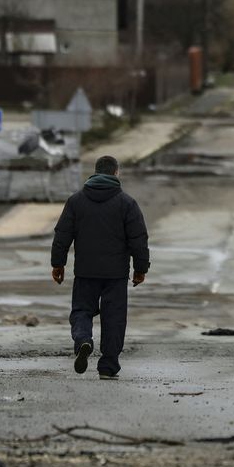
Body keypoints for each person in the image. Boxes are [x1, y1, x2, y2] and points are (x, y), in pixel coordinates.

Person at [50, 154, 150, 380]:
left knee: (82, 311)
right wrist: (141, 268)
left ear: (95, 172)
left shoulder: (76, 201)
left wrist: (58, 264)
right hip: (115, 274)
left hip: (85, 271)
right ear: (116, 173)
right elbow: (138, 239)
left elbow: (62, 236)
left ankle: (84, 340)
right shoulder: (127, 203)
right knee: (114, 318)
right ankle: (108, 365)